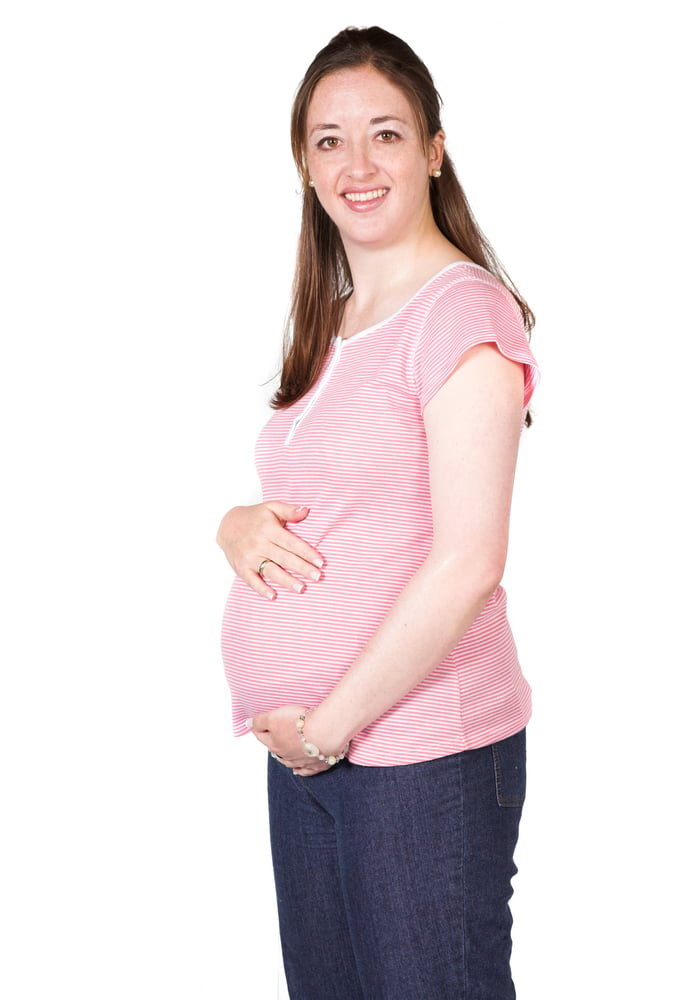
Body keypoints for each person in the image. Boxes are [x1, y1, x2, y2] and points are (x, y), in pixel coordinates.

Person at [217, 25, 539, 999]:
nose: (357, 164)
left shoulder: (463, 314)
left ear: (434, 151)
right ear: (304, 166)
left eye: (386, 134)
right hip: (316, 756)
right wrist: (233, 527)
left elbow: (469, 560)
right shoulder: (337, 317)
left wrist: (330, 728)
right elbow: (325, 499)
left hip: (418, 755)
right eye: (328, 140)